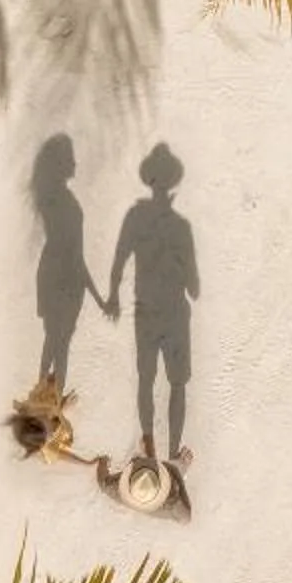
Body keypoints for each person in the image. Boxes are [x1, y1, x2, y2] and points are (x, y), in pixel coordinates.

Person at [105, 142, 198, 461]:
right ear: (171, 183)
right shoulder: (181, 227)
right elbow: (195, 285)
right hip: (173, 313)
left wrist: (113, 295)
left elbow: (119, 258)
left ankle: (150, 446)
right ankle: (172, 454)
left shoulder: (135, 217)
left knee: (147, 380)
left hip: (146, 312)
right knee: (177, 384)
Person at [30, 133, 105, 389]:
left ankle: (48, 401)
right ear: (61, 164)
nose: (76, 163)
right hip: (62, 277)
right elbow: (73, 253)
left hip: (65, 277)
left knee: (58, 343)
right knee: (58, 343)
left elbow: (75, 254)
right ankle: (46, 400)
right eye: (71, 158)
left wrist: (97, 297)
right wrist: (98, 297)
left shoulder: (54, 199)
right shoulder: (59, 201)